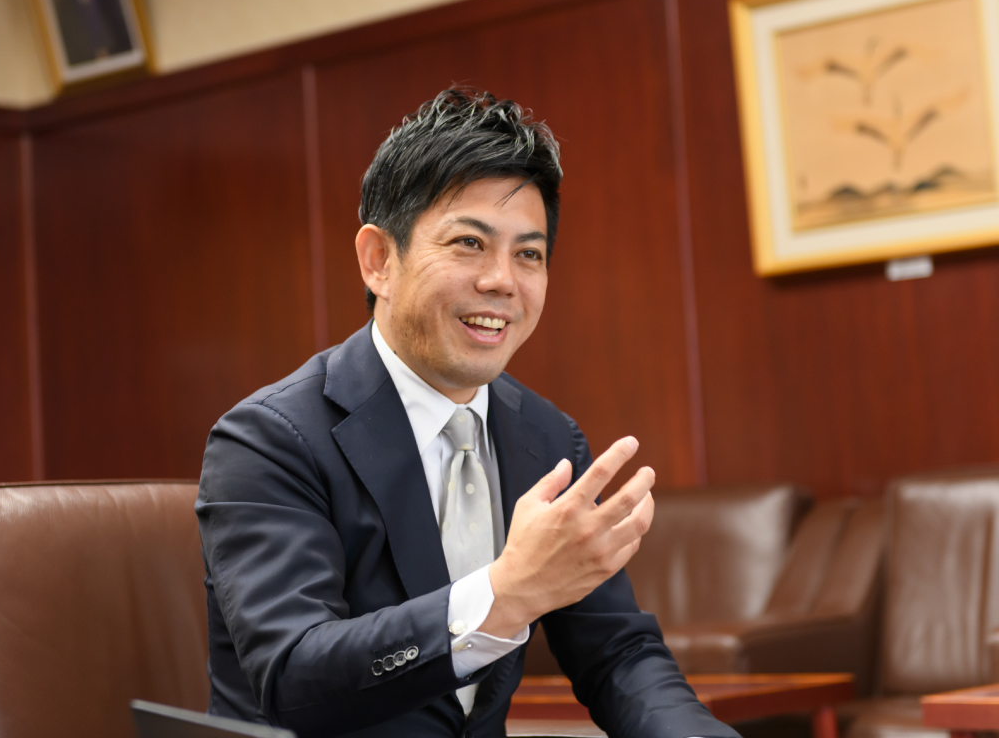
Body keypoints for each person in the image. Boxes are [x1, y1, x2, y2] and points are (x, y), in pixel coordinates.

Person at [196, 88, 739, 738]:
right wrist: (505, 594)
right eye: (469, 243)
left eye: (529, 254)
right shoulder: (270, 439)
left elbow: (617, 654)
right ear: (378, 261)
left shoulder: (547, 438)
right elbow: (293, 676)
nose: (502, 281)